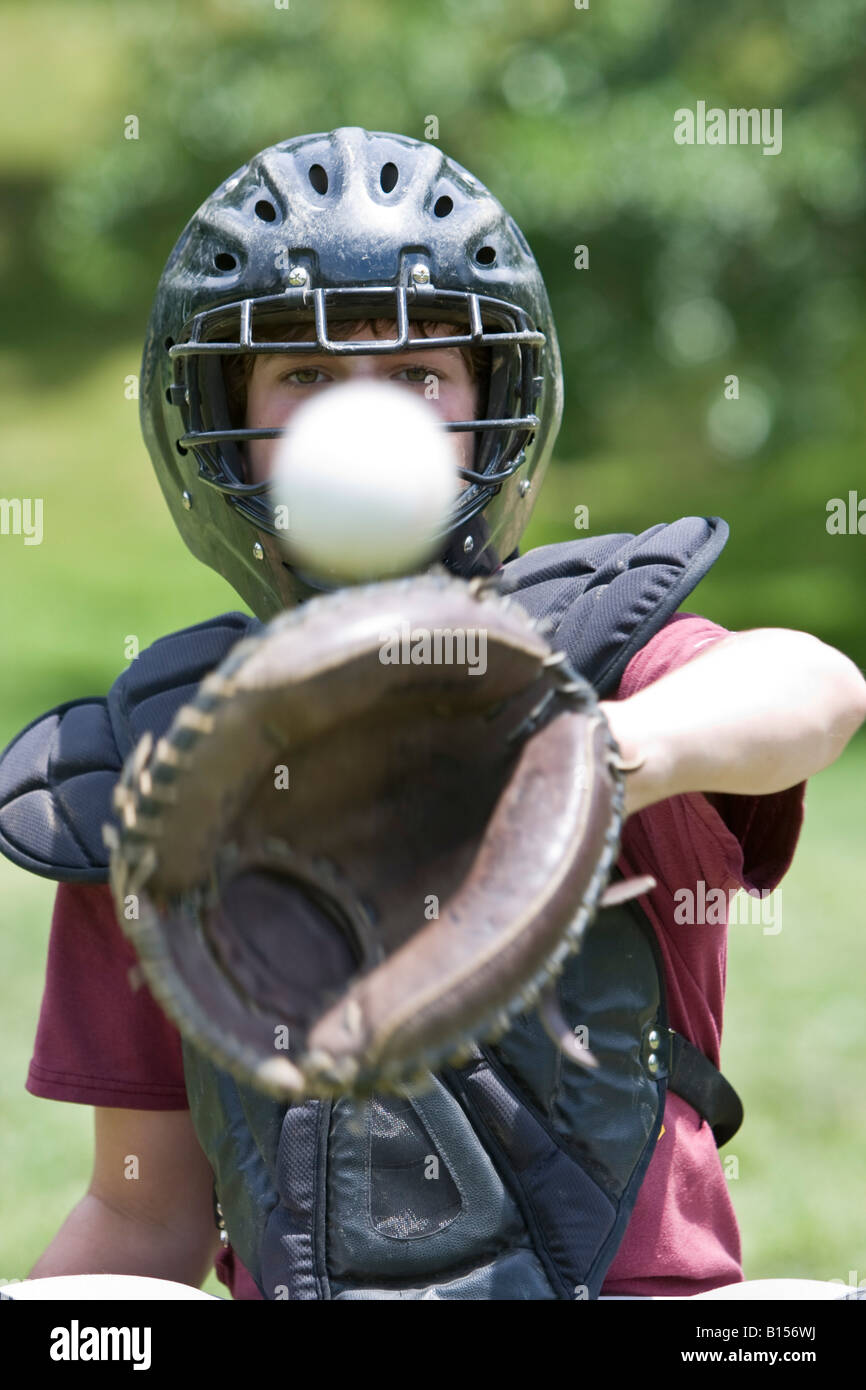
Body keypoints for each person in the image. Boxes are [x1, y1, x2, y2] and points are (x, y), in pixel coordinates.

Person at [2, 127, 864, 1300]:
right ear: (221, 419)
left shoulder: (596, 665)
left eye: (416, 378)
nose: (368, 427)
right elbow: (141, 1213)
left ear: (491, 407)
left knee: (795, 1321)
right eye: (302, 377)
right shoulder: (166, 767)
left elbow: (815, 687)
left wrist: (601, 753)